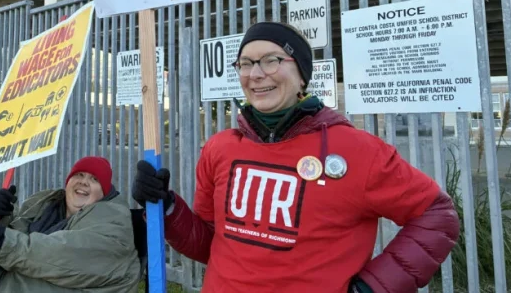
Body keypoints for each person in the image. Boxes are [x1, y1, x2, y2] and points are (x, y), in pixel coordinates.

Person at [132, 22, 460, 292]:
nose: (256, 74)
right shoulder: (219, 149)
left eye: (271, 60)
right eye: (245, 63)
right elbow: (209, 245)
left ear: (302, 74)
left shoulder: (358, 151)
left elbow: (437, 215)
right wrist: (166, 207)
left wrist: (373, 287)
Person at [0, 156, 141, 293]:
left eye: (94, 179)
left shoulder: (112, 221)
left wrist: (2, 241)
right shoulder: (46, 204)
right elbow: (11, 237)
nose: (84, 182)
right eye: (79, 175)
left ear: (104, 192)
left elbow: (64, 255)